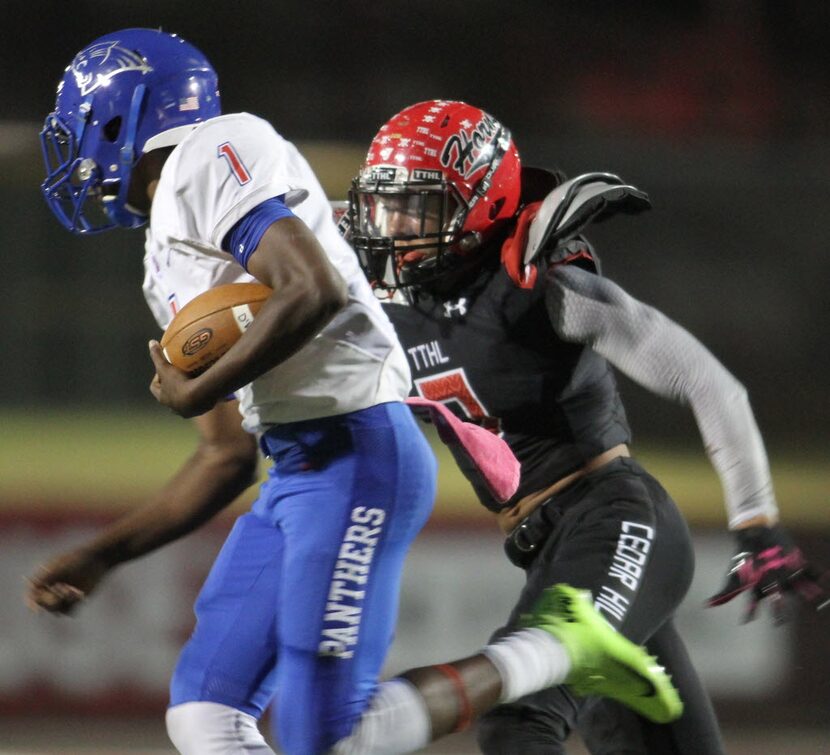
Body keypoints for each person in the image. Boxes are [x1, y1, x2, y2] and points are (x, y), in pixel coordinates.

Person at [26, 31, 681, 755]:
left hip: (356, 453)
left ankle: (556, 653)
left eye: (82, 122)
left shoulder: (210, 152)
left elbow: (313, 287)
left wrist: (197, 388)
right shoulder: (165, 258)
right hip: (298, 468)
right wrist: (103, 555)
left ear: (125, 114)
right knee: (204, 710)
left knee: (328, 736)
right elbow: (224, 458)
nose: (75, 147)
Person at [345, 99, 830, 754]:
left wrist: (757, 521)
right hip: (551, 551)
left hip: (616, 518)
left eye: (418, 206)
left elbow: (708, 380)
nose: (394, 226)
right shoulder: (383, 299)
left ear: (482, 204)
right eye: (386, 203)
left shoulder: (540, 287)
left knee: (516, 719)